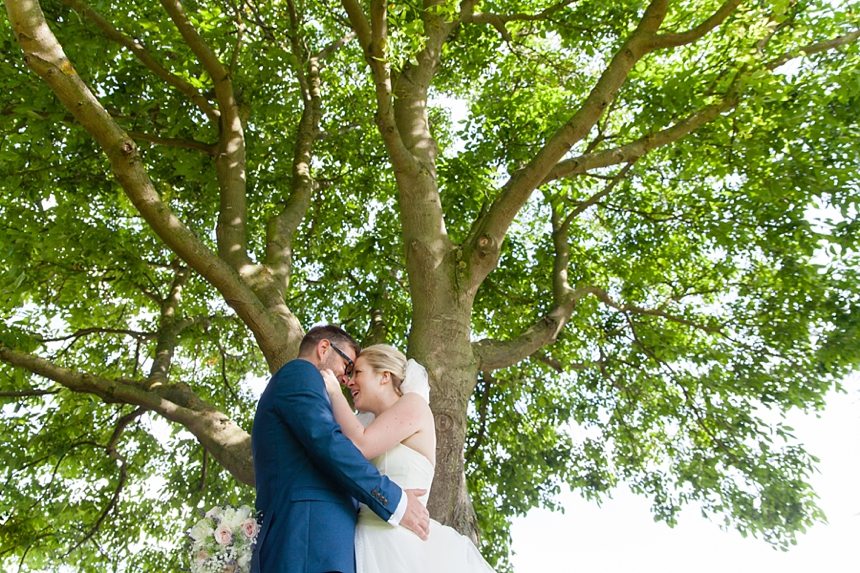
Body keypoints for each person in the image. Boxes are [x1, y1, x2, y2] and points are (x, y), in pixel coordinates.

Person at [250, 325, 430, 573]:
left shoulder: (313, 389)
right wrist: (395, 500)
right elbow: (329, 444)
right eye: (347, 367)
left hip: (322, 541)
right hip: (307, 539)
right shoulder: (301, 374)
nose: (347, 380)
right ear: (324, 348)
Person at [321, 344, 496, 573]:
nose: (349, 381)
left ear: (385, 376)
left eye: (358, 373)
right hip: (360, 540)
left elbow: (361, 445)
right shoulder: (362, 424)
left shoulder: (414, 405)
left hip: (397, 545)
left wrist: (333, 392)